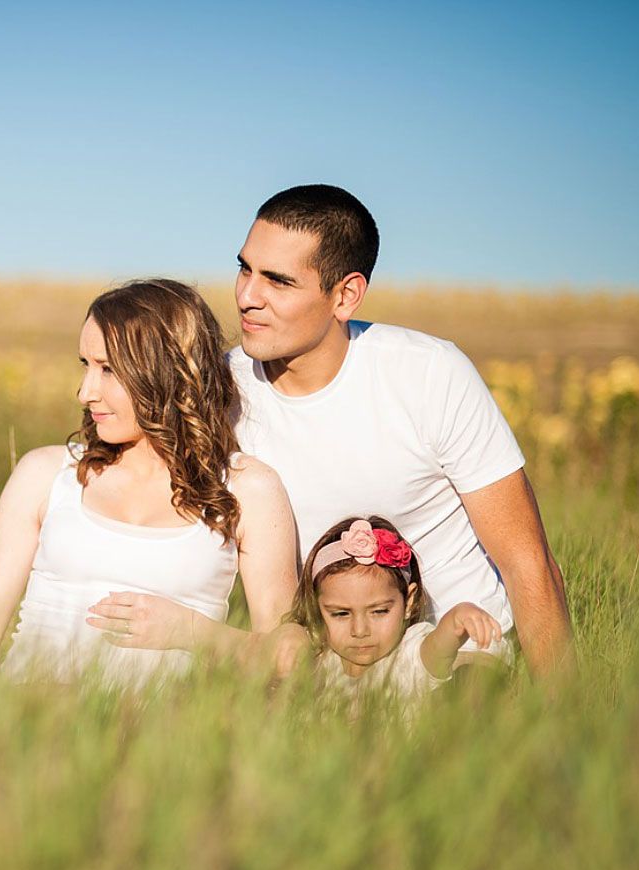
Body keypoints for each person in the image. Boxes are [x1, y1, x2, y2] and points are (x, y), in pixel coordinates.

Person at [225, 184, 573, 683]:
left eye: (278, 281)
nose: (247, 296)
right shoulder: (220, 389)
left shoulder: (430, 374)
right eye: (245, 268)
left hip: (460, 661)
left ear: (345, 295)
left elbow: (527, 561)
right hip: (324, 667)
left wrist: (567, 725)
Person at [0, 279, 297, 687]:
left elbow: (289, 657)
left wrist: (192, 631)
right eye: (86, 365)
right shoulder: (45, 475)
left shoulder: (248, 489)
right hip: (28, 726)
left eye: (108, 369)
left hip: (164, 741)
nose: (85, 392)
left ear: (168, 371)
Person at [288, 516, 503, 717]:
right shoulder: (320, 660)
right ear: (316, 608)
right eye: (341, 614)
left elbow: (438, 648)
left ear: (408, 602)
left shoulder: (409, 654)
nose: (360, 630)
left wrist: (457, 618)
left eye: (379, 611)